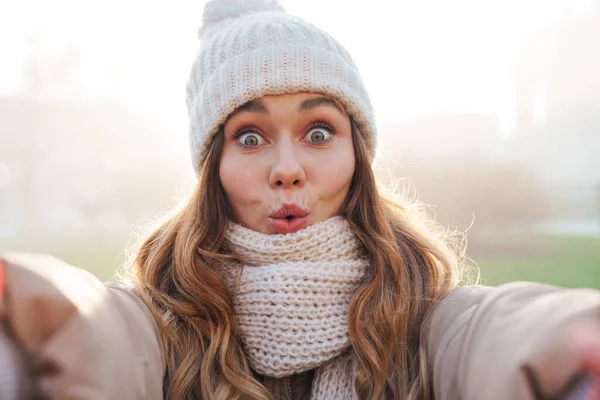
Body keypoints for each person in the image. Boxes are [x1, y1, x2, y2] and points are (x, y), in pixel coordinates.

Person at [1, 1, 600, 399]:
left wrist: (568, 342)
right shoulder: (165, 320)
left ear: (357, 155)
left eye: (318, 132)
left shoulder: (420, 312)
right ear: (214, 167)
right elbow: (102, 335)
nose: (288, 170)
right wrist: (29, 331)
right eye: (250, 136)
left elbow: (489, 335)